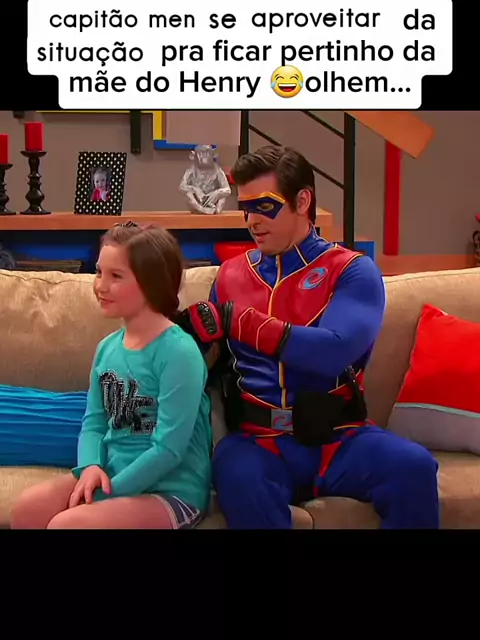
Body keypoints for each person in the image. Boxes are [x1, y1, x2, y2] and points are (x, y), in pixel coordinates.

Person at [179, 145, 439, 529]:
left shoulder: (351, 270)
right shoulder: (230, 275)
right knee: (236, 474)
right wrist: (188, 338)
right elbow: (208, 367)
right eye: (246, 208)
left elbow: (333, 351)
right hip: (258, 441)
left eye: (265, 206)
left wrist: (241, 322)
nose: (252, 220)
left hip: (340, 439)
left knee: (414, 468)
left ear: (302, 201)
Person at [11, 222, 212, 529]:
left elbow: (168, 450)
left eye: (116, 276)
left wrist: (109, 493)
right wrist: (90, 467)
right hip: (112, 474)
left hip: (171, 491)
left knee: (68, 524)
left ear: (152, 282)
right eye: (99, 272)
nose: (100, 286)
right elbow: (93, 423)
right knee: (28, 510)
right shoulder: (107, 348)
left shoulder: (179, 352)